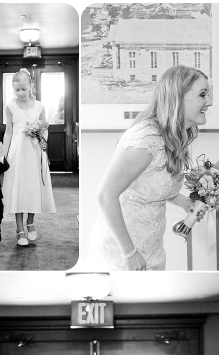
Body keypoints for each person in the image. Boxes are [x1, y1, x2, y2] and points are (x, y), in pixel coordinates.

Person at [86, 65, 211, 271]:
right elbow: (105, 195)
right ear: (178, 97)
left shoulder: (174, 135)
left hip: (152, 249)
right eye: (203, 94)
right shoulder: (145, 138)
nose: (210, 101)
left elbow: (149, 183)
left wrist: (183, 202)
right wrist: (129, 253)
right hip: (121, 253)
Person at [2, 69, 55, 248]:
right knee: (19, 188)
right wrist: (3, 153)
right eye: (17, 90)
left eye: (24, 89)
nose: (21, 93)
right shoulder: (10, 106)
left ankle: (31, 221)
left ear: (31, 86)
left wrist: (44, 141)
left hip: (34, 152)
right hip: (17, 153)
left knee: (32, 188)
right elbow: (8, 131)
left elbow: (44, 128)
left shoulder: (40, 106)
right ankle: (19, 228)